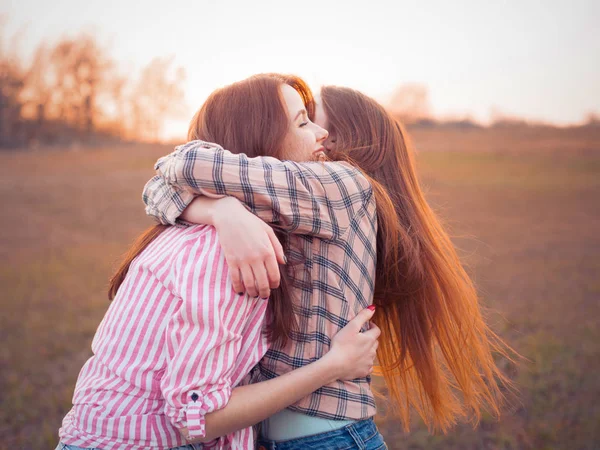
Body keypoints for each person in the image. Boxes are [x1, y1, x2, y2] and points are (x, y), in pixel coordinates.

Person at [145, 76, 515, 445]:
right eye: (302, 121)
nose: (314, 130)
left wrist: (219, 208)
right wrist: (221, 211)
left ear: (337, 137)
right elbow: (158, 188)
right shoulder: (297, 199)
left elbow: (187, 163)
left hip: (327, 439)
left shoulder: (342, 184)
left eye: (311, 119)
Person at [56, 74, 381, 450]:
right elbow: (198, 416)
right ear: (259, 140)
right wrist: (332, 367)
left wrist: (219, 208)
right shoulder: (229, 250)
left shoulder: (226, 229)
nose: (322, 134)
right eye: (303, 121)